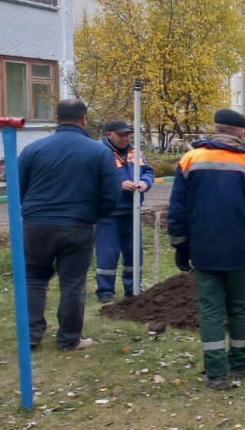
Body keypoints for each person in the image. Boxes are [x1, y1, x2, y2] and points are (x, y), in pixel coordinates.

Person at [168, 108, 245, 391]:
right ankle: (240, 363)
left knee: (210, 308)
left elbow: (177, 209)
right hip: (241, 250)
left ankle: (216, 372)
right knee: (241, 307)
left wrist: (180, 246)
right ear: (239, 132)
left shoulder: (190, 159)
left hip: (203, 248)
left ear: (216, 129)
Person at [18, 99, 122, 351]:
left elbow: (19, 187)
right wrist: (95, 215)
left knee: (33, 279)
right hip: (78, 225)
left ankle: (31, 334)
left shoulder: (33, 149)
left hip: (36, 225)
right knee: (73, 282)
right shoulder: (98, 152)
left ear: (56, 118)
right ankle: (69, 339)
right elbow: (111, 192)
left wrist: (32, 212)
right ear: (84, 119)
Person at [94, 120, 155, 303]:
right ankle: (105, 291)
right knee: (107, 253)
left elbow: (148, 171)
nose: (125, 138)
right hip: (108, 213)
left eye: (127, 134)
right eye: (121, 135)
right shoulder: (98, 152)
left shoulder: (134, 152)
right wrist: (118, 186)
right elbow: (92, 180)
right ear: (109, 134)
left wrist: (145, 183)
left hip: (132, 211)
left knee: (134, 252)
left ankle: (133, 288)